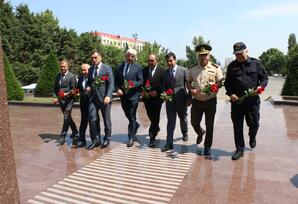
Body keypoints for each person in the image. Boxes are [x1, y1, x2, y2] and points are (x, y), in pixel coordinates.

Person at [225, 42, 268, 160]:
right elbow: (227, 83)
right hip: (237, 102)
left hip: (252, 101)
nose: (238, 56)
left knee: (254, 124)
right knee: (237, 126)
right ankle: (239, 149)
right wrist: (231, 94)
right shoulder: (232, 66)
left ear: (246, 51)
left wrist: (261, 87)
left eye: (240, 53)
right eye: (236, 54)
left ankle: (252, 136)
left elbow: (264, 78)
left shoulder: (256, 63)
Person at [187, 44, 224, 156]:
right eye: (201, 55)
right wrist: (191, 89)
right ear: (198, 56)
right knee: (194, 122)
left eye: (205, 55)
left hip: (210, 101)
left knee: (210, 125)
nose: (203, 57)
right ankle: (200, 132)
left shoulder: (216, 68)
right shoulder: (193, 69)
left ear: (209, 56)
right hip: (197, 101)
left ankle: (207, 147)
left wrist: (216, 86)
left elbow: (220, 82)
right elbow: (188, 82)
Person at [161, 52, 190, 152]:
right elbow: (163, 86)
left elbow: (189, 85)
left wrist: (189, 99)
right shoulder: (165, 73)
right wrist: (164, 94)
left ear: (175, 60)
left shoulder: (184, 70)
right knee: (170, 122)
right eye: (167, 61)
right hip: (170, 102)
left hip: (182, 100)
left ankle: (185, 132)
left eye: (171, 60)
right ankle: (169, 143)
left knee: (183, 119)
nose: (169, 63)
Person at [85, 51, 114, 149]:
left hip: (104, 99)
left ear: (100, 58)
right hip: (93, 99)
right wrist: (88, 87)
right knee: (92, 118)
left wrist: (108, 96)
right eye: (92, 58)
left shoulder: (107, 68)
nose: (93, 59)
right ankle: (96, 140)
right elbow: (89, 82)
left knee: (106, 120)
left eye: (95, 57)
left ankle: (107, 138)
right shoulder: (91, 69)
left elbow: (111, 83)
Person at [115, 48, 143, 147]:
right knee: (129, 115)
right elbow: (116, 80)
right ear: (126, 56)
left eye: (132, 56)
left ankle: (130, 137)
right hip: (123, 96)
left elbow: (140, 81)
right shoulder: (119, 67)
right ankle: (136, 124)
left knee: (131, 115)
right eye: (129, 56)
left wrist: (132, 84)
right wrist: (117, 89)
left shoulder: (138, 67)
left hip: (133, 96)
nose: (130, 58)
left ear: (135, 58)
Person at [53, 60, 79, 146]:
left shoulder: (72, 76)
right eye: (61, 67)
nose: (62, 68)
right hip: (61, 101)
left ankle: (62, 136)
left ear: (67, 67)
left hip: (69, 100)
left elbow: (74, 90)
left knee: (66, 116)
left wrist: (66, 94)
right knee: (68, 117)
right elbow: (55, 88)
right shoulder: (58, 76)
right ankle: (75, 131)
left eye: (64, 66)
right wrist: (55, 97)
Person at [141, 54, 164, 147]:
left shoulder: (162, 71)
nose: (150, 62)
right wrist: (142, 91)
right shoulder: (144, 70)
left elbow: (164, 84)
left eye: (152, 60)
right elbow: (141, 82)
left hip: (157, 98)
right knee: (150, 115)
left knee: (155, 116)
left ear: (156, 60)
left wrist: (157, 92)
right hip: (147, 98)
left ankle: (152, 137)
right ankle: (156, 127)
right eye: (149, 60)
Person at [76, 63, 92, 148]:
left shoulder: (92, 77)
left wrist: (91, 89)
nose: (83, 72)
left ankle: (95, 139)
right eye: (82, 70)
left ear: (89, 70)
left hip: (91, 102)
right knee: (83, 120)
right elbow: (78, 88)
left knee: (93, 121)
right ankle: (82, 139)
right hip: (83, 102)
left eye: (85, 70)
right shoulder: (81, 77)